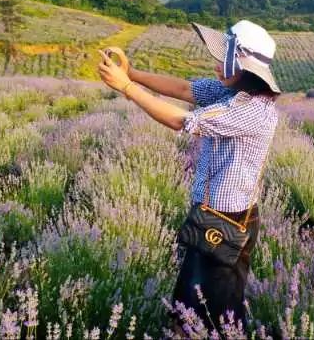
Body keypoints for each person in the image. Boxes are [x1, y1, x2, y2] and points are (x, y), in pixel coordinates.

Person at [96, 20, 280, 332]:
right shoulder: (229, 91)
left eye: (224, 57)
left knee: (219, 311)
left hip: (229, 219)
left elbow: (182, 121)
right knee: (191, 301)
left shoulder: (254, 111)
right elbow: (182, 88)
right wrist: (132, 73)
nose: (217, 63)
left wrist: (127, 88)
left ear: (245, 65)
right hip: (210, 213)